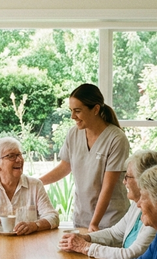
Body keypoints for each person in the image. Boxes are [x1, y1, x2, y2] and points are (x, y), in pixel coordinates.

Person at [40, 83, 130, 231]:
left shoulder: (116, 139)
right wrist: (37, 182)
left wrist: (94, 223)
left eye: (77, 111)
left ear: (95, 109)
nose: (72, 116)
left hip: (109, 221)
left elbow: (107, 187)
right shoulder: (74, 134)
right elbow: (65, 167)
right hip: (82, 219)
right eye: (71, 110)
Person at [58, 150, 157, 259]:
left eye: (127, 177)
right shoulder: (137, 205)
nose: (123, 182)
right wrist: (85, 238)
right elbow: (114, 233)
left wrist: (85, 247)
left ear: (144, 180)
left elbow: (131, 255)